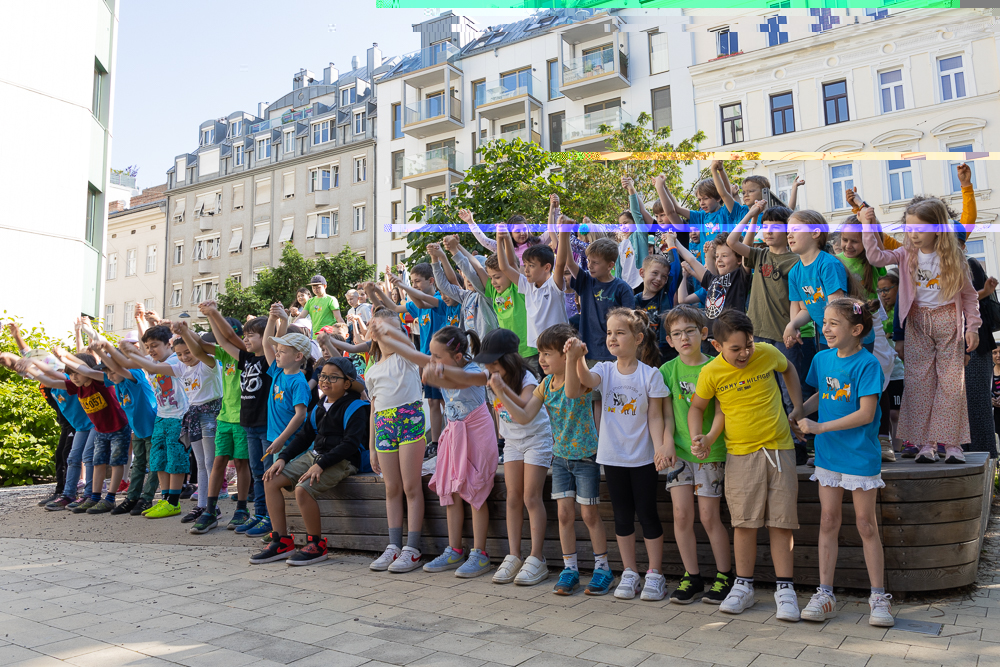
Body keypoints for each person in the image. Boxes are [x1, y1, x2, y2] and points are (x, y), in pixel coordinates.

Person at [690, 310, 804, 620]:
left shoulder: (767, 353)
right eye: (736, 348)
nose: (744, 353)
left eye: (749, 345)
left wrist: (798, 409)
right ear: (717, 345)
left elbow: (789, 369)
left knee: (782, 521)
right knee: (744, 522)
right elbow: (697, 407)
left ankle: (785, 589)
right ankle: (743, 586)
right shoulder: (711, 373)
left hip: (780, 449)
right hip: (739, 454)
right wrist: (697, 438)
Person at [490, 323, 612, 596]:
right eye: (540, 353)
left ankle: (602, 568)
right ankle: (570, 569)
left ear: (564, 357)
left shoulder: (577, 378)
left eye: (547, 353)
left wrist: (574, 357)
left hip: (585, 458)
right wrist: (501, 392)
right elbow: (523, 417)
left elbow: (570, 392)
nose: (541, 359)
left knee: (589, 515)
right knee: (564, 514)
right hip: (560, 458)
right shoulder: (544, 384)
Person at [371, 321, 498, 579]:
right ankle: (454, 549)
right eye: (432, 355)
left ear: (458, 356)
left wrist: (439, 372)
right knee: (450, 490)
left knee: (474, 491)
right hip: (453, 434)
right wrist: (386, 333)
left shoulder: (476, 371)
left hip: (476, 435)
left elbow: (464, 380)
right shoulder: (440, 365)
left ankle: (480, 553)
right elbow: (410, 352)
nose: (432, 360)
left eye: (438, 356)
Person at [796, 298, 894, 627]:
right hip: (827, 455)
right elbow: (820, 396)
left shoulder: (868, 365)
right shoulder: (822, 359)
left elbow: (866, 414)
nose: (825, 328)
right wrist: (798, 413)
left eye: (833, 323)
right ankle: (825, 594)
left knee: (866, 525)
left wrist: (820, 426)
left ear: (857, 330)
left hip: (859, 456)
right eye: (824, 322)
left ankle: (878, 597)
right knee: (828, 520)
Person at [861, 202, 981, 463]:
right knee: (918, 385)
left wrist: (972, 328)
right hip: (917, 323)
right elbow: (875, 257)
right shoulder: (906, 254)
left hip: (948, 321)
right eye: (909, 227)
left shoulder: (954, 257)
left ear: (938, 229)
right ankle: (925, 444)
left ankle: (952, 445)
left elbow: (970, 297)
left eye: (919, 228)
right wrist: (867, 225)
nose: (912, 233)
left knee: (950, 386)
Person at [565, 308, 669, 601]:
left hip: (644, 459)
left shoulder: (651, 375)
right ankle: (630, 572)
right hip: (612, 458)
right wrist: (576, 357)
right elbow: (582, 383)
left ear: (638, 338)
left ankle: (655, 574)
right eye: (609, 332)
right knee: (622, 516)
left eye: (620, 332)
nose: (612, 338)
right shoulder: (604, 370)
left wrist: (660, 446)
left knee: (647, 514)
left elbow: (657, 417)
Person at [251, 357, 370, 565]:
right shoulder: (320, 405)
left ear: (347, 383)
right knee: (270, 478)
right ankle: (281, 540)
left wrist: (321, 465)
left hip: (343, 461)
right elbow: (304, 436)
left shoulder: (356, 407)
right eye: (323, 375)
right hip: (315, 456)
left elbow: (350, 445)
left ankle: (316, 544)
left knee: (302, 489)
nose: (325, 381)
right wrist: (283, 458)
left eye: (333, 377)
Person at [658, 306, 732, 605]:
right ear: (669, 340)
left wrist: (709, 438)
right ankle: (692, 576)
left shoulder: (717, 366)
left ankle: (725, 576)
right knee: (681, 515)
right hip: (679, 455)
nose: (684, 337)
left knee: (709, 516)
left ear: (704, 333)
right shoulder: (667, 371)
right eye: (676, 333)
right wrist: (665, 444)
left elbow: (722, 411)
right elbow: (665, 416)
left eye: (690, 330)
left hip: (710, 452)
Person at [477, 328, 553, 586]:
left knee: (531, 497)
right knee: (512, 497)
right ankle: (514, 555)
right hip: (511, 442)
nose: (489, 367)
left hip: (536, 439)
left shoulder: (528, 377)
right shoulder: (491, 375)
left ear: (509, 359)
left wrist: (501, 391)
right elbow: (463, 379)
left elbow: (523, 413)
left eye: (494, 362)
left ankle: (536, 557)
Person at [364, 308, 427, 573]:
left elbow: (407, 344)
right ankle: (394, 546)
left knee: (411, 486)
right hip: (384, 427)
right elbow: (374, 409)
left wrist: (391, 331)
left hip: (409, 420)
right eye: (380, 331)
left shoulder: (407, 357)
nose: (386, 336)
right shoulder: (372, 370)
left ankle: (412, 548)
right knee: (392, 488)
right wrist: (372, 447)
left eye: (392, 330)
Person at [368, 263, 448, 459]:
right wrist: (376, 291)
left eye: (417, 281)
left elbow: (421, 302)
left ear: (431, 281)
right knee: (432, 401)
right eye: (412, 281)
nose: (415, 285)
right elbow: (393, 307)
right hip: (422, 357)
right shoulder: (415, 304)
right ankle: (436, 442)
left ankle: (452, 436)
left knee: (447, 400)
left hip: (437, 359)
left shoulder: (439, 300)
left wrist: (402, 285)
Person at [39, 350, 131, 514]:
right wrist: (27, 367)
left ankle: (109, 499)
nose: (73, 377)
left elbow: (88, 371)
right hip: (100, 429)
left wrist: (64, 357)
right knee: (96, 463)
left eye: (76, 373)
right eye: (70, 374)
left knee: (116, 463)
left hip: (118, 427)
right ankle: (92, 497)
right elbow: (48, 380)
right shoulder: (76, 387)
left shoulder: (101, 382)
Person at [249, 306, 313, 537]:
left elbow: (300, 415)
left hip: (290, 443)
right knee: (274, 483)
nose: (277, 354)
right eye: (278, 351)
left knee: (284, 485)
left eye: (282, 351)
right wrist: (274, 319)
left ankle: (286, 531)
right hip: (276, 441)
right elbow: (267, 343)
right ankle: (280, 529)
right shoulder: (277, 371)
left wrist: (281, 440)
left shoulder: (298, 382)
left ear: (298, 357)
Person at [119, 325, 191, 518]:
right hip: (161, 416)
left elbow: (146, 365)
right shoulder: (153, 360)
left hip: (179, 417)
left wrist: (131, 352)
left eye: (154, 345)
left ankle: (174, 502)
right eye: (148, 347)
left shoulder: (177, 360)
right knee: (158, 459)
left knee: (175, 459)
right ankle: (165, 499)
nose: (151, 351)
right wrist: (107, 349)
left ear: (169, 344)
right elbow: (123, 363)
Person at [88, 340, 159, 516]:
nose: (110, 376)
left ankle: (147, 498)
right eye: (107, 373)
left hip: (152, 428)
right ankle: (132, 497)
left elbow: (120, 369)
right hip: (138, 430)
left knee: (154, 465)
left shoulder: (135, 374)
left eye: (111, 371)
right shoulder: (117, 382)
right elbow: (92, 372)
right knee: (138, 464)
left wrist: (104, 351)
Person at [168, 322, 224, 524]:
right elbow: (152, 365)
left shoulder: (209, 364)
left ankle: (212, 506)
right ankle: (202, 505)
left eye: (187, 351)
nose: (184, 357)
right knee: (200, 463)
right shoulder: (182, 367)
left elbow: (200, 352)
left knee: (210, 462)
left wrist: (185, 332)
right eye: (180, 354)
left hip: (211, 412)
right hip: (194, 414)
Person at [498, 225, 568, 375]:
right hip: (540, 349)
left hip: (559, 347)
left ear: (547, 267)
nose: (526, 270)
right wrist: (499, 239)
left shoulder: (553, 285)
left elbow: (561, 263)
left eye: (531, 266)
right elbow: (505, 267)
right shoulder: (527, 285)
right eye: (525, 265)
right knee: (544, 387)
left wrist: (564, 231)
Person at [785, 211, 851, 352]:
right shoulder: (794, 273)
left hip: (846, 336)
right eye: (788, 232)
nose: (789, 235)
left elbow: (836, 307)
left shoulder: (828, 264)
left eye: (795, 230)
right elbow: (804, 309)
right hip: (825, 335)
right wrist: (793, 325)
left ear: (815, 233)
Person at [668, 229, 750, 323]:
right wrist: (675, 241)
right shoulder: (712, 279)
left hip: (732, 333)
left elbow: (746, 248)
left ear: (739, 259)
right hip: (711, 335)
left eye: (724, 256)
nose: (719, 260)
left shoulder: (740, 277)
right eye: (717, 256)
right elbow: (692, 260)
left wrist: (752, 215)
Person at [429, 236, 499, 339]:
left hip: (487, 350)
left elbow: (471, 274)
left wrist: (454, 250)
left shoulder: (488, 295)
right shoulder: (467, 296)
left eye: (477, 275)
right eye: (466, 276)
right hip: (471, 351)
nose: (469, 279)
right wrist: (435, 259)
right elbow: (443, 286)